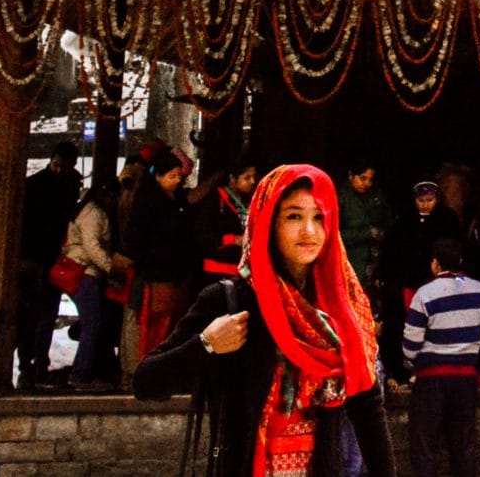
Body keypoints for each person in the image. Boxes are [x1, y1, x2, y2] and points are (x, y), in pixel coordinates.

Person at [134, 164, 395, 477]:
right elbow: (146, 383)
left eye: (319, 217)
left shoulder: (342, 310)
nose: (309, 231)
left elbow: (367, 411)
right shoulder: (229, 302)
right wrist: (206, 344)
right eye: (294, 216)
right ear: (269, 223)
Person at [402, 237, 480, 476]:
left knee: (425, 447)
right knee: (463, 446)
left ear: (435, 264)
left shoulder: (424, 294)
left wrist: (409, 364)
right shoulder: (478, 289)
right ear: (460, 261)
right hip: (466, 380)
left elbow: (411, 343)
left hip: (431, 380)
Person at [16, 140, 81, 388]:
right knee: (30, 318)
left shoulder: (71, 185)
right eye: (56, 166)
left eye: (63, 167)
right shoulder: (34, 186)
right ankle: (26, 367)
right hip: (33, 258)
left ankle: (39, 364)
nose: (58, 171)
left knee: (46, 316)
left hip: (52, 259)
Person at [383, 180, 461, 380]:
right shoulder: (404, 221)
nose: (425, 204)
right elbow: (392, 252)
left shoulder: (448, 219)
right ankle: (400, 371)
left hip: (436, 283)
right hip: (407, 283)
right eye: (421, 200)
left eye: (429, 200)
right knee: (405, 325)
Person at [124, 147, 195, 366]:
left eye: (178, 176)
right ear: (157, 176)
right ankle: (142, 370)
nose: (176, 181)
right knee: (148, 327)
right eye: (171, 176)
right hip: (151, 276)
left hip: (172, 276)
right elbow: (136, 240)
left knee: (170, 326)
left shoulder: (176, 201)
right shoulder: (146, 203)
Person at [62, 181, 124, 389]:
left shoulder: (89, 210)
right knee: (92, 324)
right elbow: (92, 245)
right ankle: (81, 374)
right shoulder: (94, 213)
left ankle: (85, 369)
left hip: (88, 270)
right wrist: (110, 267)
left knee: (93, 323)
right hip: (85, 270)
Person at [195, 161, 261, 279]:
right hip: (216, 271)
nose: (252, 181)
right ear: (232, 178)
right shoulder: (214, 201)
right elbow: (203, 236)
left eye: (254, 177)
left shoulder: (250, 201)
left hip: (241, 270)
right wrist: (233, 240)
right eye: (247, 178)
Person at [338, 161, 391, 302]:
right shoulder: (340, 198)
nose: (367, 183)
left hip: (374, 262)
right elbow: (333, 234)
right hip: (350, 262)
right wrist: (367, 233)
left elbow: (388, 221)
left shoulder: (376, 195)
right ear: (351, 175)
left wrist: (382, 232)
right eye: (362, 178)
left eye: (370, 180)